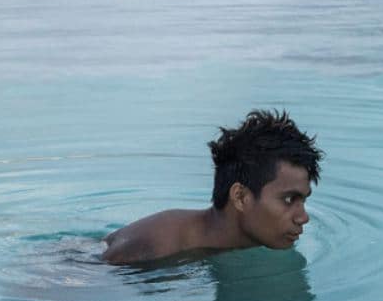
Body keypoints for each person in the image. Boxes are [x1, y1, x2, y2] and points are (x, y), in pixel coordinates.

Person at [102, 109, 322, 265]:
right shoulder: (156, 245)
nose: (303, 218)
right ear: (240, 197)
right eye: (288, 199)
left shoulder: (256, 240)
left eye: (303, 200)